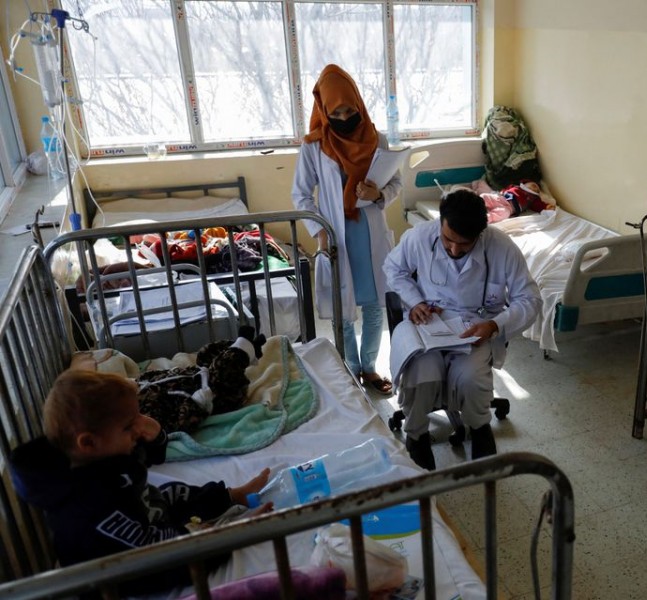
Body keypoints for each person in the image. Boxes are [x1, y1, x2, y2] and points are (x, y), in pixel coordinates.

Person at [10, 368, 273, 594]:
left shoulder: (94, 456)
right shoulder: (89, 508)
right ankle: (235, 533)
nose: (138, 430)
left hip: (137, 516)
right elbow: (148, 546)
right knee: (192, 555)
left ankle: (232, 496)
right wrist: (198, 535)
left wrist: (156, 434)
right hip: (127, 570)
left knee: (174, 493)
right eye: (128, 427)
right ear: (88, 442)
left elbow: (141, 459)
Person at [383, 189, 541, 470]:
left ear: (481, 234)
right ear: (440, 223)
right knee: (422, 372)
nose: (454, 249)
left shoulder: (501, 248)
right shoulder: (420, 237)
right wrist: (415, 300)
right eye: (447, 240)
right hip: (427, 322)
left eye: (464, 244)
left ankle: (480, 428)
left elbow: (530, 300)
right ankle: (416, 435)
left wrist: (495, 324)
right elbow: (394, 269)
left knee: (469, 376)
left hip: (476, 328)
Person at [292, 64, 401, 395]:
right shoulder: (314, 146)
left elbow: (396, 180)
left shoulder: (376, 138)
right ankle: (349, 368)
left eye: (349, 109)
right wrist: (320, 232)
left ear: (359, 104)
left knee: (372, 305)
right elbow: (300, 195)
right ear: (324, 110)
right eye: (335, 111)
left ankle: (368, 368)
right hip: (336, 237)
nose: (344, 116)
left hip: (369, 234)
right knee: (343, 312)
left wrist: (379, 194)